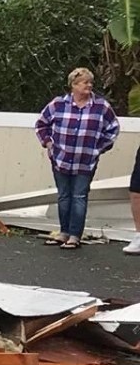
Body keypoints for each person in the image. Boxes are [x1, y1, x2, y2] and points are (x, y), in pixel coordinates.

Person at [34, 67, 121, 250]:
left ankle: (75, 236)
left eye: (91, 82)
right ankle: (63, 232)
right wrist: (49, 144)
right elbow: (41, 124)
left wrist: (99, 148)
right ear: (73, 85)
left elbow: (113, 128)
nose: (89, 85)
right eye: (85, 82)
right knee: (64, 196)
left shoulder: (101, 106)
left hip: (86, 160)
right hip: (61, 159)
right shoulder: (58, 104)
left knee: (79, 196)